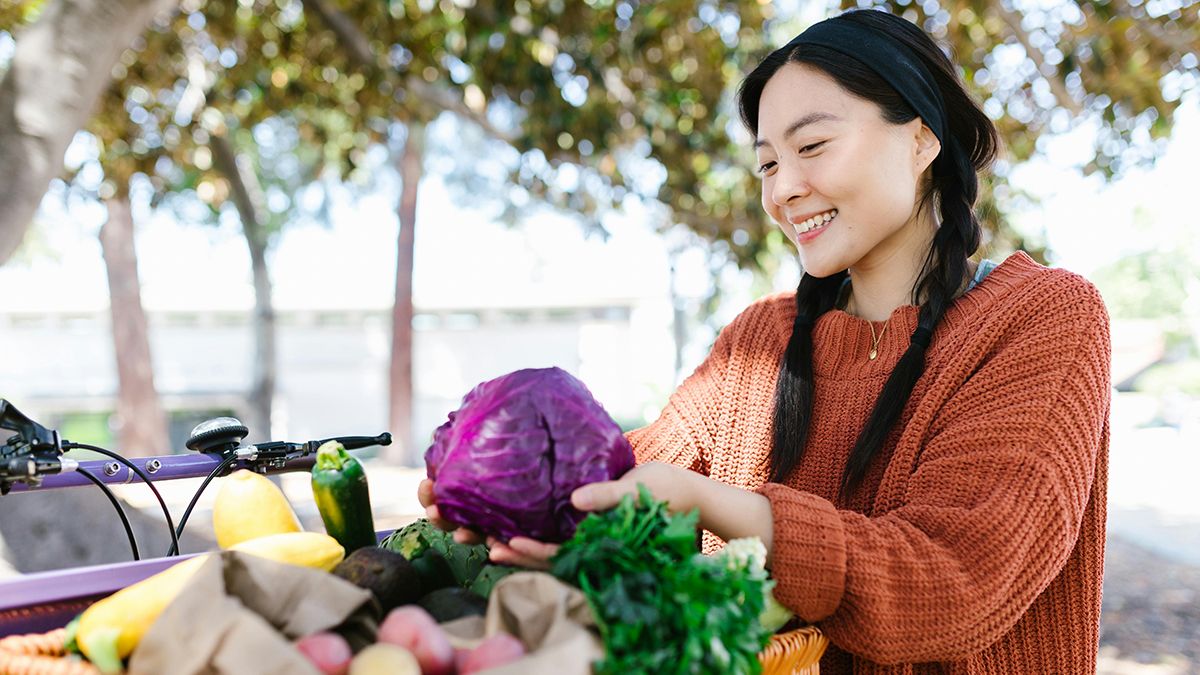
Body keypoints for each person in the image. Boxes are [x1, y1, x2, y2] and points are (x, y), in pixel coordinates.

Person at [419, 8, 1111, 674]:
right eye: (767, 164)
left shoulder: (1044, 317)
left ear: (922, 138)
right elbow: (628, 481)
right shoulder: (760, 339)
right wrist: (511, 494)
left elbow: (956, 576)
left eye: (811, 147)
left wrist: (721, 505)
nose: (784, 190)